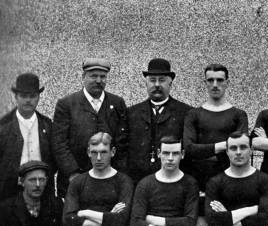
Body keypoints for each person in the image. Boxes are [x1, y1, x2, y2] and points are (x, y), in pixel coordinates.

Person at [52, 58, 129, 197]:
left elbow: (122, 142)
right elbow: (59, 143)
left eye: (103, 77)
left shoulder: (117, 103)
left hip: (109, 180)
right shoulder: (67, 104)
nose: (98, 81)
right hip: (74, 180)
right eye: (94, 76)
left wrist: (116, 175)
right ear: (83, 77)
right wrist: (73, 174)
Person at [183, 63, 248, 192]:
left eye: (219, 80)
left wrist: (205, 150)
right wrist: (224, 146)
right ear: (205, 83)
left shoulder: (239, 115)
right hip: (197, 178)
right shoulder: (193, 114)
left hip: (229, 178)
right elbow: (189, 148)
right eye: (210, 80)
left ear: (227, 83)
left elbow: (240, 146)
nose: (215, 84)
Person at [127, 58, 193, 183]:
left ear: (170, 83)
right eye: (152, 80)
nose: (157, 84)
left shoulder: (186, 112)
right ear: (146, 84)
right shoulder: (131, 113)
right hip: (138, 181)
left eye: (162, 80)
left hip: (174, 181)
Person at [0, 73, 55, 200]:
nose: (28, 100)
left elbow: (54, 159)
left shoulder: (47, 125)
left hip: (42, 190)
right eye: (24, 96)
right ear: (16, 97)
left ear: (38, 97)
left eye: (32, 96)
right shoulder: (3, 126)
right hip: (10, 192)